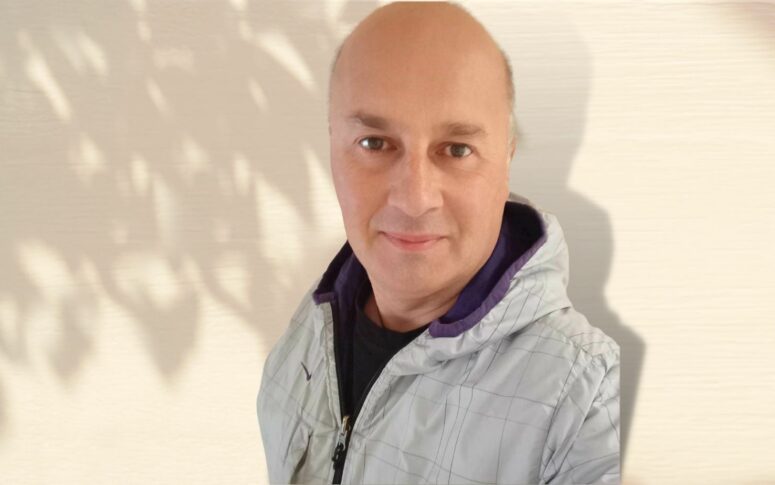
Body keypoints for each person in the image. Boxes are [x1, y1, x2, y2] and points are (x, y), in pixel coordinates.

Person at [256, 2, 620, 483]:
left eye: (457, 149)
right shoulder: (312, 321)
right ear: (332, 145)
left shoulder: (586, 401)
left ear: (507, 158)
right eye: (374, 143)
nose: (414, 199)